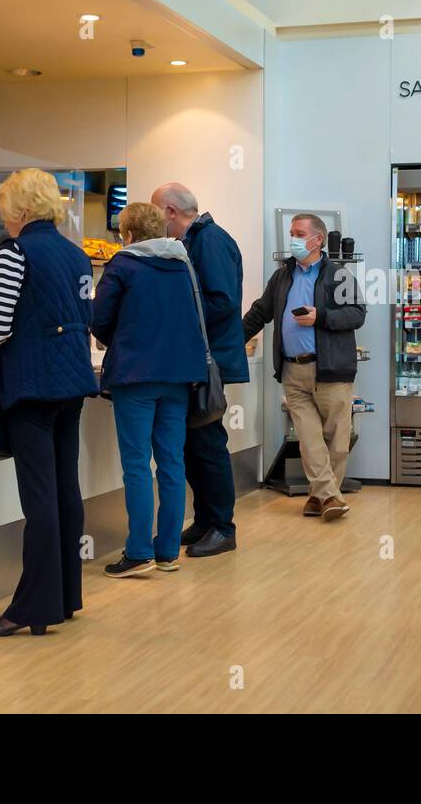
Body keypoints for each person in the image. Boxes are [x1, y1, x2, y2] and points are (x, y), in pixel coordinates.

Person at [0, 168, 98, 637]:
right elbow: (84, 314)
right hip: (70, 384)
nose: (6, 221)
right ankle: (65, 596)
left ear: (21, 210)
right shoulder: (76, 255)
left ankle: (33, 607)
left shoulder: (15, 253)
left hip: (31, 385)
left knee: (39, 498)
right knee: (66, 488)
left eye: (8, 211)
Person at [91, 202, 208, 577]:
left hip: (135, 376)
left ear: (127, 233)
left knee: (137, 466)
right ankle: (168, 552)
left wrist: (120, 340)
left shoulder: (122, 265)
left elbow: (99, 320)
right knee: (172, 463)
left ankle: (139, 551)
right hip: (178, 378)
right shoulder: (182, 264)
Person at [243, 214, 365, 521]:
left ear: (318, 239)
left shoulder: (339, 276)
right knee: (310, 439)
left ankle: (319, 496)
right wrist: (227, 341)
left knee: (337, 441)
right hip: (292, 371)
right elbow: (260, 312)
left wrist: (320, 316)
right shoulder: (282, 276)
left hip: (331, 370)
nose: (293, 239)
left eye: (299, 233)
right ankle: (329, 497)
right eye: (291, 233)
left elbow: (356, 315)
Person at [152, 182, 248, 558]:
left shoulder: (210, 241)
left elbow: (222, 301)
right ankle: (206, 519)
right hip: (200, 359)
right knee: (193, 443)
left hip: (210, 362)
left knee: (207, 445)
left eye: (157, 211)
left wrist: (176, 320)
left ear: (171, 212)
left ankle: (223, 527)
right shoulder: (197, 241)